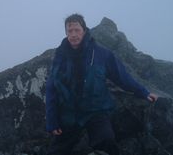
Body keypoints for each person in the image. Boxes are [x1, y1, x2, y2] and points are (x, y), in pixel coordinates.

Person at [45, 14, 158, 155]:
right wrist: (52, 120)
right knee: (56, 151)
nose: (73, 34)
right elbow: (51, 88)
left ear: (84, 30)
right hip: (70, 113)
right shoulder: (60, 56)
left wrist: (143, 92)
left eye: (77, 30)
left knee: (107, 141)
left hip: (96, 111)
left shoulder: (101, 54)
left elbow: (121, 77)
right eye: (70, 31)